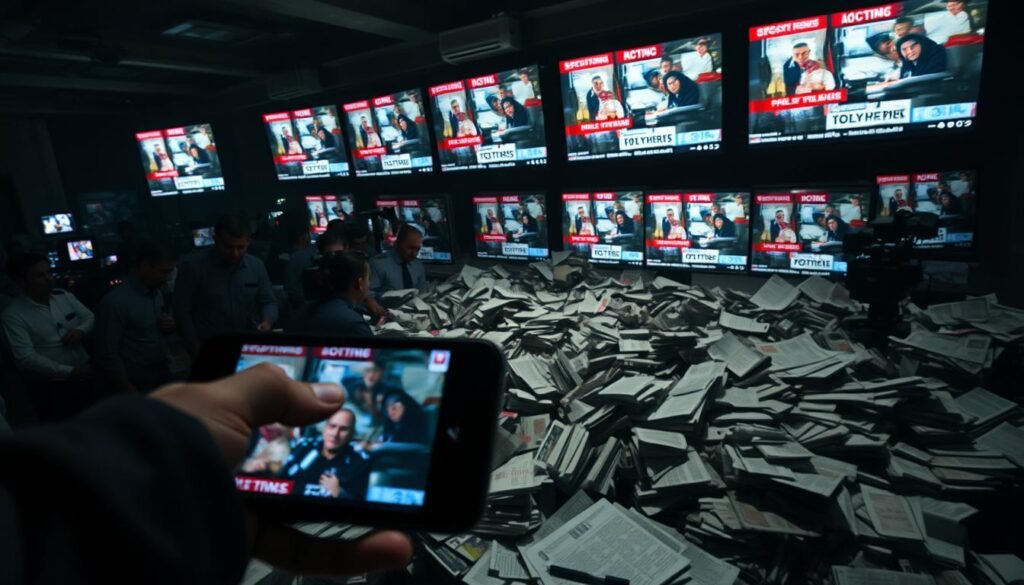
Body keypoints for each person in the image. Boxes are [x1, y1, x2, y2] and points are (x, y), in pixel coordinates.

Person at [0, 362, 413, 582]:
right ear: (324, 424)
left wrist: (338, 490)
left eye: (345, 430)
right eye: (334, 426)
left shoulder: (355, 463)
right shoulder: (297, 449)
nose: (337, 434)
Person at [1, 252, 96, 421]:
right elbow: (25, 358)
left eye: (49, 273)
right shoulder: (13, 314)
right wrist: (69, 371)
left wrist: (80, 330)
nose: (49, 278)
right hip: (51, 386)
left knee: (97, 420)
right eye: (39, 275)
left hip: (85, 372)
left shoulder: (64, 296)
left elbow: (89, 317)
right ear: (21, 282)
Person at [173, 214, 278, 357]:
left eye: (241, 247)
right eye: (228, 247)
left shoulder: (256, 266)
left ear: (248, 241)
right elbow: (182, 311)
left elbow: (268, 301)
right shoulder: (193, 266)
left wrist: (267, 321)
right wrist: (194, 347)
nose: (235, 253)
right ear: (216, 240)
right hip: (209, 347)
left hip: (248, 346)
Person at [94, 241, 177, 394]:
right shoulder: (114, 303)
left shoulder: (155, 292)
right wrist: (127, 388)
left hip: (161, 373)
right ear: (145, 267)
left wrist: (168, 326)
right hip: (138, 383)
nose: (167, 278)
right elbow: (107, 354)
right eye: (163, 272)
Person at [279, 408, 371, 499]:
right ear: (324, 428)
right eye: (332, 426)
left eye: (343, 429)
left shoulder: (359, 460)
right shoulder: (304, 448)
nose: (335, 434)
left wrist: (340, 493)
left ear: (352, 434)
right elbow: (280, 484)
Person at [289, 252, 373, 339]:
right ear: (360, 283)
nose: (369, 283)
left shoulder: (299, 313)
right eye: (368, 279)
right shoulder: (355, 325)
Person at [370, 224, 427, 298]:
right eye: (411, 248)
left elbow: (422, 292)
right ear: (398, 242)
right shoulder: (378, 265)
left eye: (417, 249)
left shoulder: (418, 265)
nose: (414, 254)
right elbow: (368, 294)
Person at [283, 224, 315, 312]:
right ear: (303, 237)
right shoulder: (301, 256)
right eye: (308, 233)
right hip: (303, 304)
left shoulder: (291, 255)